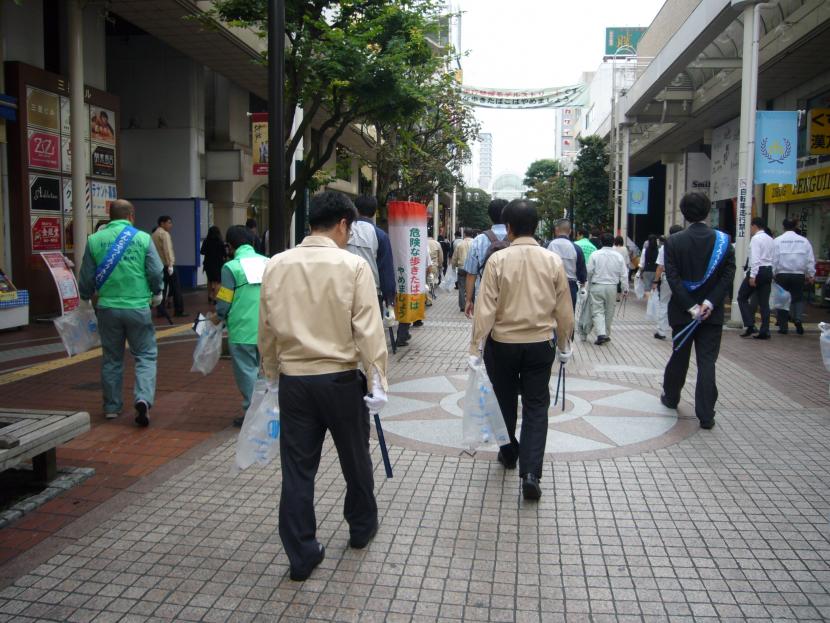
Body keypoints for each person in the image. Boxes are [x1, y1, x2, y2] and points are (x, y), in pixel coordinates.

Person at [258, 190, 388, 581]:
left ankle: (302, 553)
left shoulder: (277, 264)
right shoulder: (352, 266)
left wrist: (269, 375)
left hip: (295, 381)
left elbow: (265, 328)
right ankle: (361, 529)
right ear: (344, 223)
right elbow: (368, 326)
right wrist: (378, 379)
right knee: (355, 459)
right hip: (342, 379)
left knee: (297, 470)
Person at [471, 200, 573, 500]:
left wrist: (475, 346)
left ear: (510, 228)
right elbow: (564, 310)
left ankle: (509, 451)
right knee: (536, 406)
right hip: (541, 343)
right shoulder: (552, 261)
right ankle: (531, 473)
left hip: (502, 344)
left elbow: (485, 308)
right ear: (536, 225)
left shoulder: (497, 260)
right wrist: (565, 343)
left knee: (503, 400)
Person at [78, 200, 164, 426]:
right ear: (131, 215)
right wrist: (157, 292)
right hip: (137, 306)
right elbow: (156, 271)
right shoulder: (143, 238)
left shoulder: (94, 240)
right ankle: (143, 398)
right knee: (145, 355)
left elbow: (86, 277)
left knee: (111, 358)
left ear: (110, 215)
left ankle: (111, 407)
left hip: (107, 307)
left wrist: (86, 296)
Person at [661, 192, 736, 430]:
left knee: (679, 356)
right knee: (707, 363)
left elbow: (672, 278)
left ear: (683, 213)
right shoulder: (724, 241)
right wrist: (710, 303)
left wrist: (691, 306)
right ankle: (706, 415)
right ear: (707, 211)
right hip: (710, 314)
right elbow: (727, 276)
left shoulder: (673, 241)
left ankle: (671, 397)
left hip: (683, 313)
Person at [215, 226, 268, 427]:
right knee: (263, 371)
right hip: (267, 327)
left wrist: (219, 315)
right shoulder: (268, 262)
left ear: (231, 245)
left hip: (242, 329)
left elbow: (225, 299)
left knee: (246, 372)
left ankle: (252, 413)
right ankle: (265, 409)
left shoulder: (231, 267)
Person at [346, 195, 396, 314]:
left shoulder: (343, 230)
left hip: (345, 291)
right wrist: (389, 300)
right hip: (372, 292)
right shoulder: (381, 235)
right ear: (374, 213)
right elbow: (386, 269)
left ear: (355, 209)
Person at [464, 199, 509, 318]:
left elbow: (471, 274)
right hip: (512, 298)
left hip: (485, 297)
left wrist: (469, 300)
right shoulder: (515, 238)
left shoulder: (478, 240)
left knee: (485, 333)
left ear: (489, 216)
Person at [773, 218, 815, 335]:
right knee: (798, 298)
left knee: (782, 299)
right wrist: (811, 274)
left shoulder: (777, 241)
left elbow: (774, 259)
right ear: (796, 226)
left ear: (783, 226)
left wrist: (772, 273)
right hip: (798, 274)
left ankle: (783, 326)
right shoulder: (804, 241)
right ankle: (798, 319)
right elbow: (810, 259)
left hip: (782, 274)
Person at [586, 233, 629, 345]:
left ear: (601, 242)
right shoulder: (618, 256)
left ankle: (601, 334)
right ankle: (605, 333)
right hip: (612, 287)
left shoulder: (594, 254)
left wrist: (589, 284)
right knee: (609, 311)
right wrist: (625, 289)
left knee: (597, 311)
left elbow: (589, 271)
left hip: (597, 285)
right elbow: (624, 274)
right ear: (613, 243)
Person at [738, 217, 775, 339]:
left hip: (758, 271)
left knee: (742, 297)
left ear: (755, 226)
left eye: (751, 226)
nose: (750, 229)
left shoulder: (756, 239)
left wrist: (752, 275)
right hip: (768, 270)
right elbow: (773, 258)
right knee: (764, 303)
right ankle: (765, 331)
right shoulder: (770, 239)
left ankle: (750, 324)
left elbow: (755, 258)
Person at [546, 218, 587, 311]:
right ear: (570, 231)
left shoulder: (547, 245)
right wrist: (583, 284)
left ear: (556, 230)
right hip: (570, 285)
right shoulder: (576, 248)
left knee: (550, 313)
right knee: (568, 314)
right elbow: (581, 270)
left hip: (550, 285)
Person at [652, 225, 684, 340]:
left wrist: (655, 281)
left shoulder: (665, 247)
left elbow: (660, 266)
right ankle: (681, 329)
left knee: (664, 303)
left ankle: (661, 331)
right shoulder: (686, 246)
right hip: (682, 279)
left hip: (667, 277)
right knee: (682, 303)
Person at [152, 216, 186, 317]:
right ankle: (179, 310)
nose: (171, 225)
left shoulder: (153, 234)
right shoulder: (164, 234)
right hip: (168, 265)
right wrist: (170, 264)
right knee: (176, 288)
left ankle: (161, 311)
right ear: (162, 223)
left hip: (158, 265)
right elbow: (167, 250)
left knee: (162, 288)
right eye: (169, 223)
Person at [200, 226, 227, 305]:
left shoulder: (206, 241)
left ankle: (210, 296)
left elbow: (202, 252)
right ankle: (215, 298)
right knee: (218, 282)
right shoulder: (220, 242)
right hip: (218, 264)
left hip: (208, 264)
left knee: (210, 280)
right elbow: (224, 254)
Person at [452, 230, 473, 312]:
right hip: (472, 268)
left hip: (461, 267)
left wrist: (453, 267)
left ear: (464, 235)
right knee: (472, 286)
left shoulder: (459, 244)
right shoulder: (475, 243)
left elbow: (454, 257)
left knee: (461, 287)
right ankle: (472, 303)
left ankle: (462, 306)